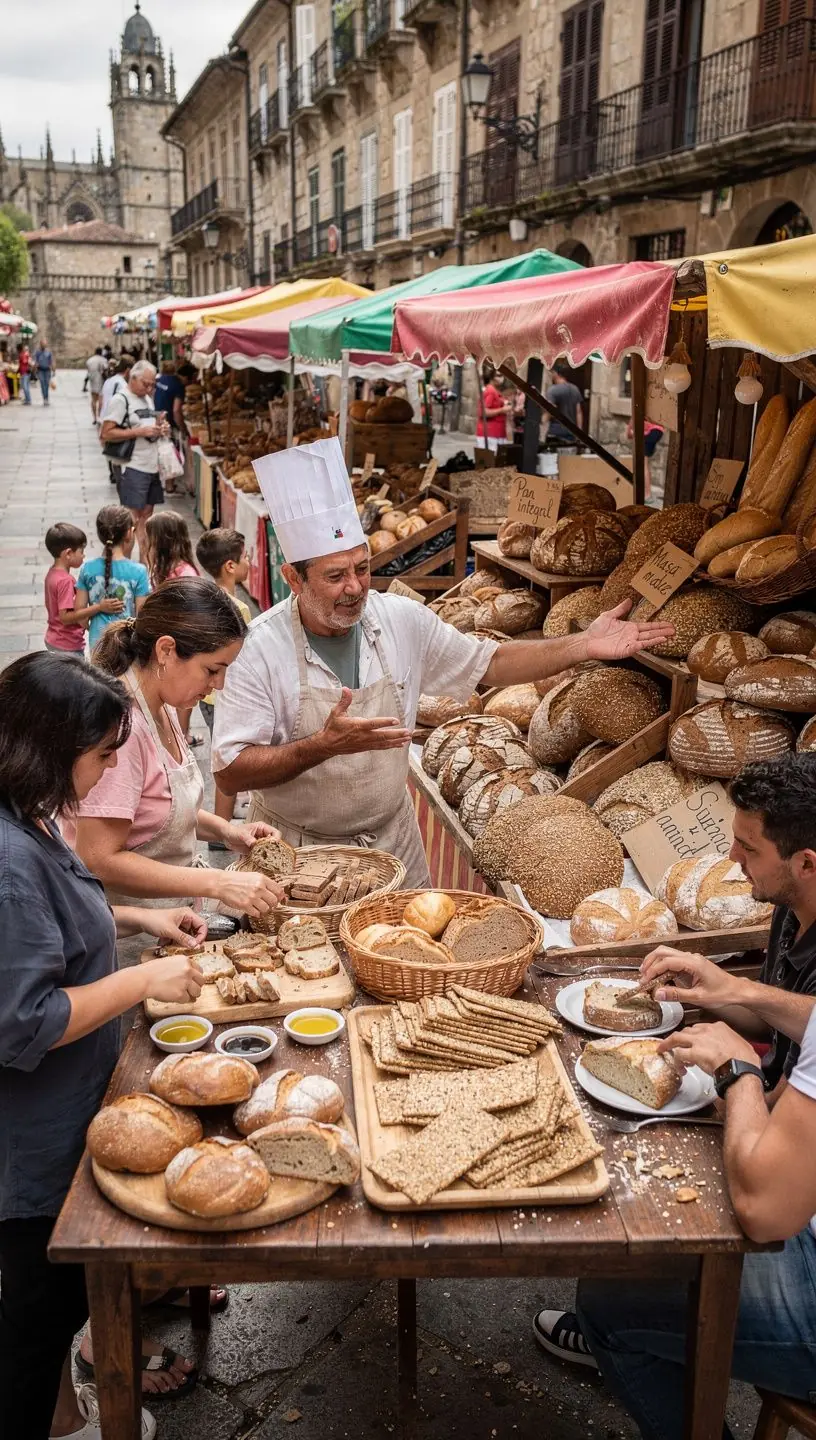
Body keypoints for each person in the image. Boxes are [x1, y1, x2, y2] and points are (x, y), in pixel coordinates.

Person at [212, 437, 675, 883]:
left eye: (362, 568)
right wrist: (321, 746)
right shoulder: (258, 649)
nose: (355, 587)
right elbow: (230, 771)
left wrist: (582, 646)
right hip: (297, 854)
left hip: (393, 849)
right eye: (335, 576)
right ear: (293, 578)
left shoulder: (400, 619)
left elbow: (490, 664)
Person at [0, 652, 207, 1440]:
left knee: (48, 1313)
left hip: (61, 1115)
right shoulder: (9, 863)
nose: (112, 768)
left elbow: (57, 921)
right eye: (102, 754)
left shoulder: (29, 815)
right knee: (36, 1319)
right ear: (48, 750)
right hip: (30, 1141)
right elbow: (25, 1022)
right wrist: (141, 981)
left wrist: (137, 919)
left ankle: (63, 1423)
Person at [70, 580, 283, 917]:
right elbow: (98, 858)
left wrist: (228, 832)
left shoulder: (162, 704)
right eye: (212, 670)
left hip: (175, 920)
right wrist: (217, 882)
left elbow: (160, 811)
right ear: (166, 650)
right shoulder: (122, 731)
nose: (219, 685)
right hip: (130, 932)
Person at [195, 528, 252, 840]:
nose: (249, 562)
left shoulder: (206, 599)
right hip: (228, 696)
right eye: (245, 557)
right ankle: (222, 829)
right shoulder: (237, 610)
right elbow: (245, 659)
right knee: (229, 761)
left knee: (222, 755)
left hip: (209, 698)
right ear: (230, 566)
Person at [100, 359, 169, 557]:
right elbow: (106, 433)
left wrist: (159, 428)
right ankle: (122, 565)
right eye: (145, 384)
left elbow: (147, 428)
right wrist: (139, 432)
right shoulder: (121, 400)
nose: (149, 388)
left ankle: (144, 567)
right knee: (131, 521)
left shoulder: (147, 399)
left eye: (152, 385)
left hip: (150, 465)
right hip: (132, 466)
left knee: (147, 518)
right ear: (133, 378)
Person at [76, 505, 150, 653]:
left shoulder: (87, 569)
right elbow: (142, 616)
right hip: (126, 645)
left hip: (97, 643)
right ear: (128, 533)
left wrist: (93, 627)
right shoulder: (139, 571)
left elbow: (80, 615)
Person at [44, 522, 123, 656]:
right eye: (81, 551)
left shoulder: (52, 573)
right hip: (67, 644)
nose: (83, 556)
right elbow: (65, 617)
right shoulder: (65, 581)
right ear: (68, 553)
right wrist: (99, 607)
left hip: (54, 638)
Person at [100, 355, 134, 484]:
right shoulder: (122, 384)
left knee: (109, 448)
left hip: (105, 417)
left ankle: (113, 473)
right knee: (117, 448)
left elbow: (102, 399)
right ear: (128, 370)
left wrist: (100, 416)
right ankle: (118, 475)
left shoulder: (109, 381)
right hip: (116, 419)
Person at [144, 510, 198, 589]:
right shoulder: (160, 566)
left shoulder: (186, 575)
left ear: (162, 542)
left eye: (149, 538)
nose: (146, 542)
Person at [545, 361, 584, 442]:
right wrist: (579, 433)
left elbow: (550, 410)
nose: (551, 375)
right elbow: (579, 412)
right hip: (571, 432)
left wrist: (541, 421)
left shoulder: (552, 390)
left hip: (555, 432)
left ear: (556, 373)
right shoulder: (575, 389)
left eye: (552, 372)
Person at [476, 363, 511, 452]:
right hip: (490, 433)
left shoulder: (495, 391)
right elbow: (483, 412)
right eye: (498, 375)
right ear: (492, 377)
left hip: (497, 433)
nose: (501, 378)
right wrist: (502, 410)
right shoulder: (490, 391)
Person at [85, 347, 107, 425]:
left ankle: (94, 417)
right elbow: (105, 370)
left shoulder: (89, 360)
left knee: (94, 399)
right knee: (101, 399)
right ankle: (99, 417)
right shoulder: (103, 360)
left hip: (92, 380)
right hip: (101, 381)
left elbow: (88, 370)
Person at [33, 338, 55, 405]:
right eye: (42, 344)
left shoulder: (48, 352)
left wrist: (54, 370)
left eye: (45, 344)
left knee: (47, 385)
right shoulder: (37, 352)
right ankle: (44, 398)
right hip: (40, 370)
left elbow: (51, 361)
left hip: (47, 370)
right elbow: (36, 361)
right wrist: (35, 370)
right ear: (40, 344)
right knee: (42, 384)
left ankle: (46, 398)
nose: (44, 345)